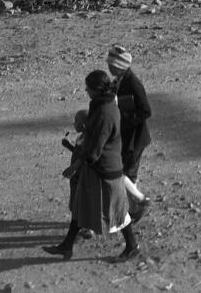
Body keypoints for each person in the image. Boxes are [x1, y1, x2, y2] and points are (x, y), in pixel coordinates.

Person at [43, 70, 140, 263]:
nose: (86, 90)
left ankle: (131, 246)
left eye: (88, 87)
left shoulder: (104, 112)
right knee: (81, 205)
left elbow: (96, 146)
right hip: (100, 168)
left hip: (104, 170)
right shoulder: (106, 103)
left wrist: (76, 165)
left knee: (117, 210)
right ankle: (67, 246)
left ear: (96, 89)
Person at [107, 44, 152, 218]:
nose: (109, 67)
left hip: (135, 139)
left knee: (127, 174)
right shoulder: (119, 80)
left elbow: (146, 111)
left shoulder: (133, 83)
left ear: (119, 66)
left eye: (111, 65)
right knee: (125, 173)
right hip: (128, 139)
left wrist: (124, 120)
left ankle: (136, 208)